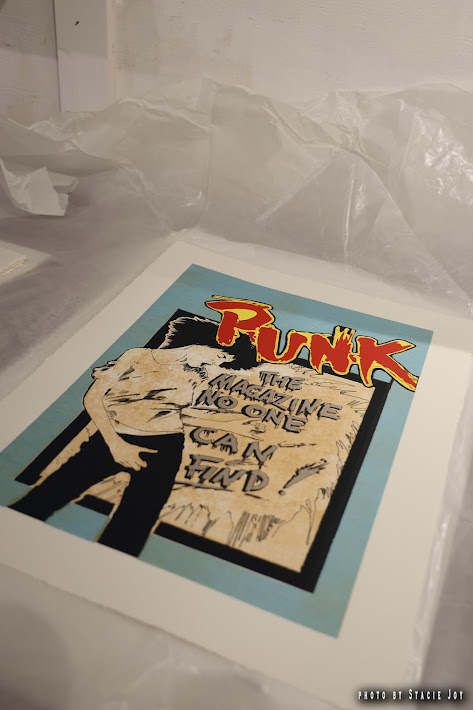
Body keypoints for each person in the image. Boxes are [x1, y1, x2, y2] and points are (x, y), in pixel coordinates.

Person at [9, 316, 257, 557]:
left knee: (134, 525)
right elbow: (93, 399)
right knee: (46, 497)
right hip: (112, 438)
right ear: (199, 344)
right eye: (219, 356)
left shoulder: (199, 373)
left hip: (166, 448)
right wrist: (116, 445)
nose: (216, 364)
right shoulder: (137, 356)